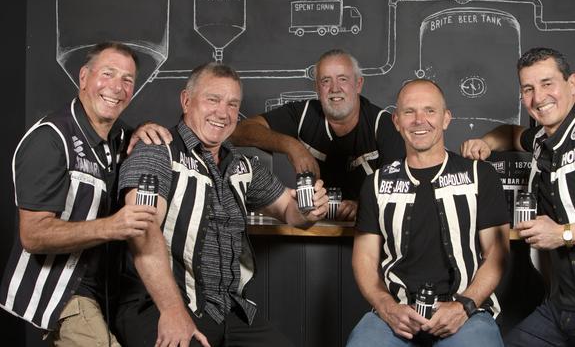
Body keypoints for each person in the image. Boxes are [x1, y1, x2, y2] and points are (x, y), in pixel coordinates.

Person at [115, 62, 329, 347]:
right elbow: (142, 232)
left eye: (232, 104)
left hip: (225, 311)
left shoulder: (242, 165)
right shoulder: (157, 150)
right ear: (186, 101)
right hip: (158, 305)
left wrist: (309, 211)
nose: (223, 113)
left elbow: (289, 212)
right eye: (212, 99)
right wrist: (172, 310)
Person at [461, 47, 575, 345]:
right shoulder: (543, 139)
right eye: (528, 89)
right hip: (562, 309)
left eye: (548, 84)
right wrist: (485, 142)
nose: (538, 98)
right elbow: (511, 133)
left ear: (572, 84)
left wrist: (562, 234)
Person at [0, 42, 171, 346]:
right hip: (64, 292)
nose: (117, 88)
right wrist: (114, 226)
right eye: (108, 74)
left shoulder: (120, 138)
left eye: (127, 80)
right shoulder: (50, 139)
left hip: (111, 292)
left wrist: (143, 129)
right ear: (83, 78)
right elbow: (33, 234)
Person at [347, 79, 510, 347]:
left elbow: (497, 253)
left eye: (430, 111)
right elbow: (364, 258)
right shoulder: (376, 183)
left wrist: (464, 306)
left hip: (467, 312)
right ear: (397, 121)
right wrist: (387, 307)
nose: (419, 120)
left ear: (446, 119)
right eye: (409, 112)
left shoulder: (480, 175)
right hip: (396, 313)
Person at [231, 49, 405, 220]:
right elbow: (239, 131)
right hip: (312, 230)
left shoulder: (382, 124)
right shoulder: (304, 113)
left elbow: (399, 189)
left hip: (368, 232)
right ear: (317, 87)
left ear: (358, 84)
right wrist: (292, 146)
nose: (334, 88)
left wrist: (363, 205)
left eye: (343, 79)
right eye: (325, 81)